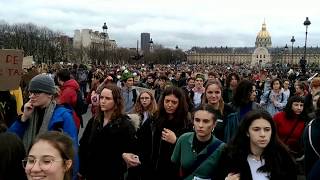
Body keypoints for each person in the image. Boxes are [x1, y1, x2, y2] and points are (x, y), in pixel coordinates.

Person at [216, 110, 297, 180]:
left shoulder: (283, 157)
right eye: (256, 129)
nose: (262, 134)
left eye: (267, 129)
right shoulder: (230, 156)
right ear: (247, 132)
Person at [79, 83, 137, 180]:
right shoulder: (94, 121)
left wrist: (123, 157)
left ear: (116, 101)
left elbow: (131, 151)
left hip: (111, 174)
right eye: (101, 97)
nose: (103, 101)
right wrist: (81, 169)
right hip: (91, 172)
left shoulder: (125, 125)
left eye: (108, 98)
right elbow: (84, 145)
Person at [8, 74, 78, 150]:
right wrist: (23, 118)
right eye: (30, 93)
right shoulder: (28, 112)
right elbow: (10, 141)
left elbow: (72, 149)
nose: (31, 96)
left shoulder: (64, 116)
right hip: (29, 160)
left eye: (36, 93)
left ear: (50, 94)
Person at [171, 104, 224, 180]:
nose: (200, 125)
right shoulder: (183, 139)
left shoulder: (222, 148)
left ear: (214, 124)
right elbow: (173, 166)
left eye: (206, 121)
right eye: (197, 120)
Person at [150, 86, 192, 179]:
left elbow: (191, 148)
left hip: (174, 172)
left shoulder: (186, 122)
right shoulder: (155, 118)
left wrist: (176, 141)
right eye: (167, 101)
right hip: (154, 168)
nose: (169, 105)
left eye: (174, 102)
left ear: (180, 103)